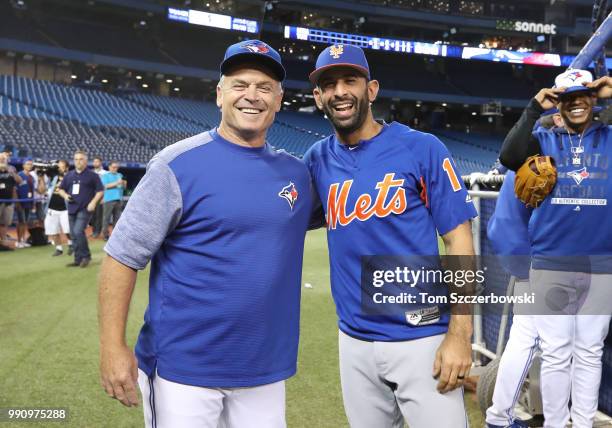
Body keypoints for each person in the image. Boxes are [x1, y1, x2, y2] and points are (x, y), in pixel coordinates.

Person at [98, 40, 312, 428]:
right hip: (183, 369)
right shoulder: (176, 165)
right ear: (219, 94)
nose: (252, 96)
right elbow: (121, 257)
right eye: (240, 84)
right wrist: (112, 348)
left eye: (265, 88)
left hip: (264, 369)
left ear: (279, 100)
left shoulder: (297, 174)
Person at [302, 44, 477, 428]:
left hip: (422, 336)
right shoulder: (316, 159)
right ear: (318, 97)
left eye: (351, 81)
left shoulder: (422, 148)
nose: (340, 92)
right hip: (354, 341)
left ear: (372, 89)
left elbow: (460, 242)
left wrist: (460, 334)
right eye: (329, 84)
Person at [499, 70, 612, 428]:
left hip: (602, 264)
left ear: (594, 99)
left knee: (590, 353)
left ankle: (582, 423)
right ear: (558, 103)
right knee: (557, 354)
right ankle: (554, 424)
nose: (576, 101)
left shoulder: (610, 138)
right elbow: (509, 155)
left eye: (584, 94)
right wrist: (534, 108)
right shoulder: (542, 140)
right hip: (550, 263)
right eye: (567, 97)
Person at [485, 110, 562, 428]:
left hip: (517, 257)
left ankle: (498, 416)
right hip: (537, 261)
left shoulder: (522, 164)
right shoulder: (541, 169)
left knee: (524, 340)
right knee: (560, 347)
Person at [57, 151, 104, 268]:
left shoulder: (93, 175)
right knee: (73, 234)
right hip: (71, 208)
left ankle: (86, 256)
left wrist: (93, 202)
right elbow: (60, 189)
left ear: (86, 161)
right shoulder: (69, 175)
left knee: (78, 231)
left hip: (85, 208)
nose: (78, 161)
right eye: (76, 159)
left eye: (81, 159)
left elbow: (100, 191)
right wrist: (66, 196)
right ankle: (78, 259)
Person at [43, 159, 72, 256]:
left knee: (67, 230)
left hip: (65, 208)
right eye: (58, 166)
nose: (59, 168)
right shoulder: (54, 177)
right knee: (52, 230)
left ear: (66, 168)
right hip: (52, 207)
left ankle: (71, 244)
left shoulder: (70, 177)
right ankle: (58, 248)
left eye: (61, 166)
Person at [100, 161, 126, 240]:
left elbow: (123, 187)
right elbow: (105, 186)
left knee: (117, 219)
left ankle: (115, 235)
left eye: (116, 167)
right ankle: (105, 235)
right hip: (108, 199)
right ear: (109, 167)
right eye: (114, 167)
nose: (115, 169)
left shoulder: (120, 175)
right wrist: (117, 183)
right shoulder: (105, 175)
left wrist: (124, 183)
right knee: (106, 218)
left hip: (119, 199)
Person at [0, 152, 20, 250]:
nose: (3, 160)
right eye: (1, 158)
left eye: (4, 159)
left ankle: (3, 243)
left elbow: (19, 181)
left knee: (5, 223)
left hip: (8, 200)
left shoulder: (11, 169)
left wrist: (12, 173)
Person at [15, 159, 35, 248]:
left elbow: (32, 190)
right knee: (21, 221)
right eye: (27, 164)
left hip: (29, 201)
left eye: (31, 164)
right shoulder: (19, 175)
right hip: (20, 202)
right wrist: (17, 202)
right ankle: (18, 241)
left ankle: (23, 240)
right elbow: (15, 189)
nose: (29, 166)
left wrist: (33, 203)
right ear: (23, 166)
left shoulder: (31, 176)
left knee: (25, 222)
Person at [91, 156, 108, 238]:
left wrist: (104, 197)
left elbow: (105, 186)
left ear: (100, 162)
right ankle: (94, 230)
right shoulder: (91, 173)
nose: (95, 163)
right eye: (94, 161)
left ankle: (97, 231)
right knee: (92, 215)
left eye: (97, 161)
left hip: (101, 196)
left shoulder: (105, 173)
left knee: (98, 215)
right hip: (91, 196)